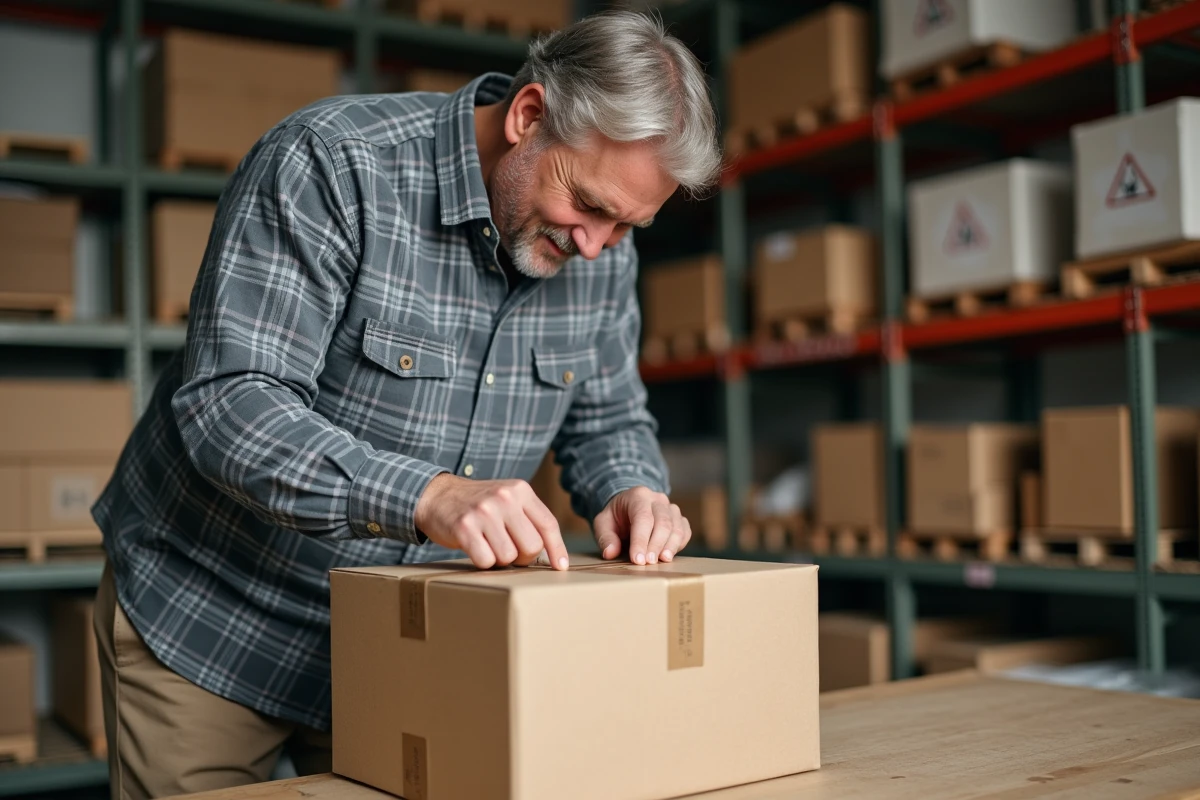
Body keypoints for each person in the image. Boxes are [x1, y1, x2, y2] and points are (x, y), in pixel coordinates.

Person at [91, 9, 721, 799]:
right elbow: (230, 404)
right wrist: (426, 494)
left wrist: (633, 487)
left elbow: (608, 418)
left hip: (406, 649)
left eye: (628, 227)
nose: (595, 247)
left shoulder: (599, 253)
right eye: (590, 206)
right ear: (529, 117)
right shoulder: (333, 165)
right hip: (216, 617)